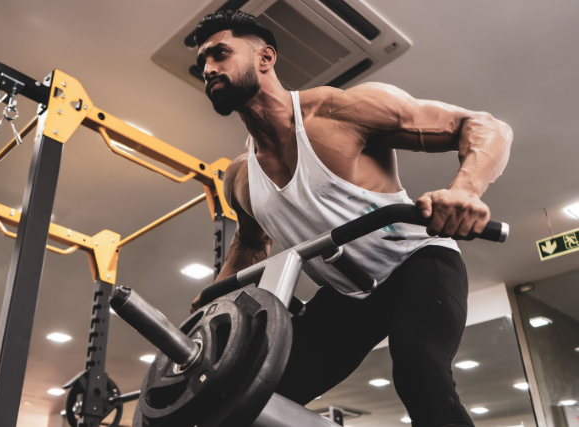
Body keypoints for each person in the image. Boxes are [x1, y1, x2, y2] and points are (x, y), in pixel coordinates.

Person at [188, 10, 512, 427]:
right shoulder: (239, 178)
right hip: (346, 294)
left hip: (418, 263)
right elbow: (250, 244)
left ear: (265, 58)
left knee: (417, 368)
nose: (208, 68)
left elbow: (484, 126)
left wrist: (464, 191)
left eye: (220, 54)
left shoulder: (340, 112)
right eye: (202, 63)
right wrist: (216, 301)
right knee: (253, 396)